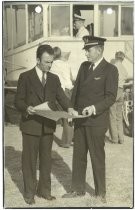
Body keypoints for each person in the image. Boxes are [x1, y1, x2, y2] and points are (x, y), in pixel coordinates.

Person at [15, 44, 77, 205]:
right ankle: (29, 193)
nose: (49, 65)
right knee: (29, 162)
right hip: (30, 125)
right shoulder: (25, 77)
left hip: (47, 126)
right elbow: (18, 101)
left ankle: (44, 191)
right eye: (46, 62)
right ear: (37, 60)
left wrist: (69, 107)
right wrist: (26, 108)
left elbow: (62, 98)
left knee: (46, 160)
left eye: (51, 62)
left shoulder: (54, 78)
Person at [62, 36, 118, 203]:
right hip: (79, 119)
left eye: (89, 49)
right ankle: (77, 189)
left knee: (97, 157)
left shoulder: (110, 70)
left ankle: (101, 192)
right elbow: (76, 89)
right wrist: (71, 108)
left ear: (99, 50)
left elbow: (110, 98)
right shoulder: (84, 66)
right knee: (78, 156)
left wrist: (93, 108)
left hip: (96, 121)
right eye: (85, 49)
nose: (85, 52)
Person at [50, 47, 74, 148]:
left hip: (61, 91)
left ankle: (66, 142)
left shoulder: (52, 65)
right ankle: (69, 139)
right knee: (69, 116)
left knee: (64, 115)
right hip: (70, 90)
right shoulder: (66, 64)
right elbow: (71, 78)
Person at [109, 51, 128, 144]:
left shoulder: (113, 67)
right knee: (119, 116)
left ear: (116, 57)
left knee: (112, 115)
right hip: (121, 91)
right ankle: (121, 138)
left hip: (114, 91)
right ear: (123, 59)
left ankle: (114, 139)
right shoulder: (124, 69)